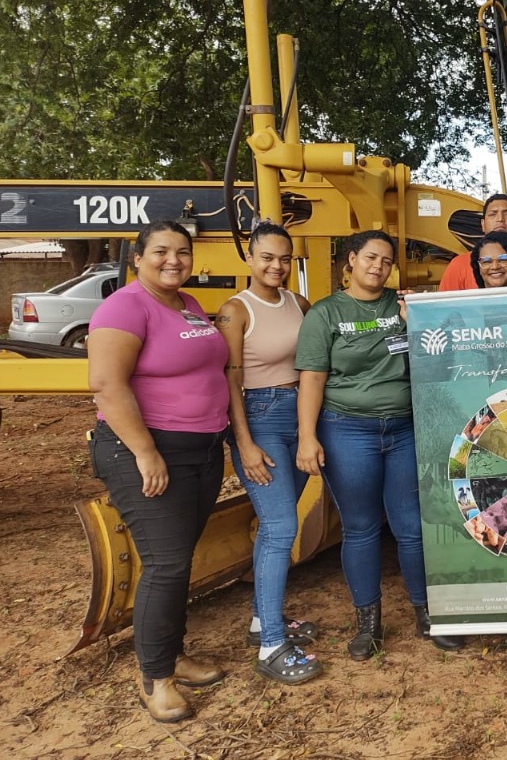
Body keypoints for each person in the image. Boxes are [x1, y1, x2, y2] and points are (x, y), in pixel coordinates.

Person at [295, 230, 466, 659]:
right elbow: (312, 379)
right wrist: (307, 436)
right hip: (348, 430)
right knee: (361, 528)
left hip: (405, 430)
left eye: (387, 261)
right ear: (351, 260)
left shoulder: (404, 306)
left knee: (410, 527)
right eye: (370, 258)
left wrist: (418, 324)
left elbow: (440, 357)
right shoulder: (325, 313)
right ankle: (367, 624)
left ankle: (428, 614)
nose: (378, 267)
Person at [87, 221, 230, 722]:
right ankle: (155, 678)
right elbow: (106, 383)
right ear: (137, 258)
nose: (174, 260)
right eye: (161, 252)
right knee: (166, 564)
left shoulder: (187, 305)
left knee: (179, 561)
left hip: (201, 451)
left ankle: (174, 655)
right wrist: (147, 453)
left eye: (183, 252)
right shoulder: (125, 306)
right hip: (144, 453)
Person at [215, 222, 321, 685]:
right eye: (266, 258)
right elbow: (229, 381)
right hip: (258, 419)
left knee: (276, 525)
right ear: (249, 259)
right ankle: (272, 645)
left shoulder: (299, 303)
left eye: (284, 259)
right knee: (281, 527)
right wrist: (244, 443)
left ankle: (263, 618)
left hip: (298, 417)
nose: (275, 266)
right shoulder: (236, 310)